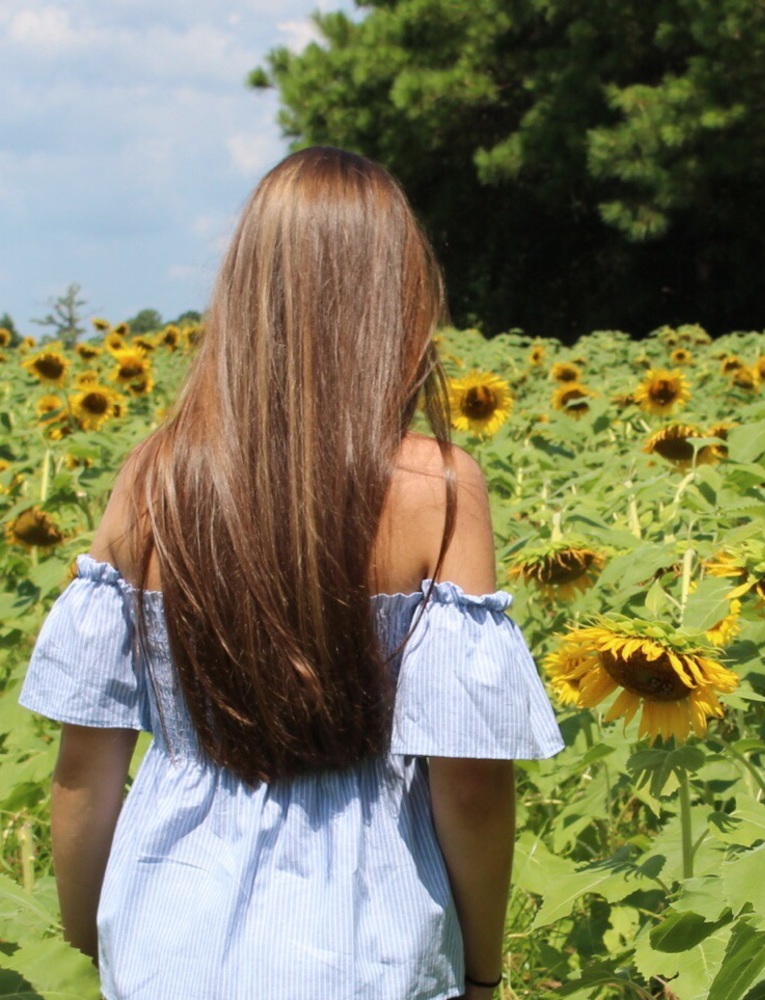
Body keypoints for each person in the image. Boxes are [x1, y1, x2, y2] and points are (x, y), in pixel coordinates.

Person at [20, 146, 564, 1000]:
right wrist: (484, 972)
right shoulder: (437, 489)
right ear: (398, 298)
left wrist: (98, 933)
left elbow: (86, 765)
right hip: (366, 936)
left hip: (169, 927)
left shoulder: (154, 477)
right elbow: (470, 782)